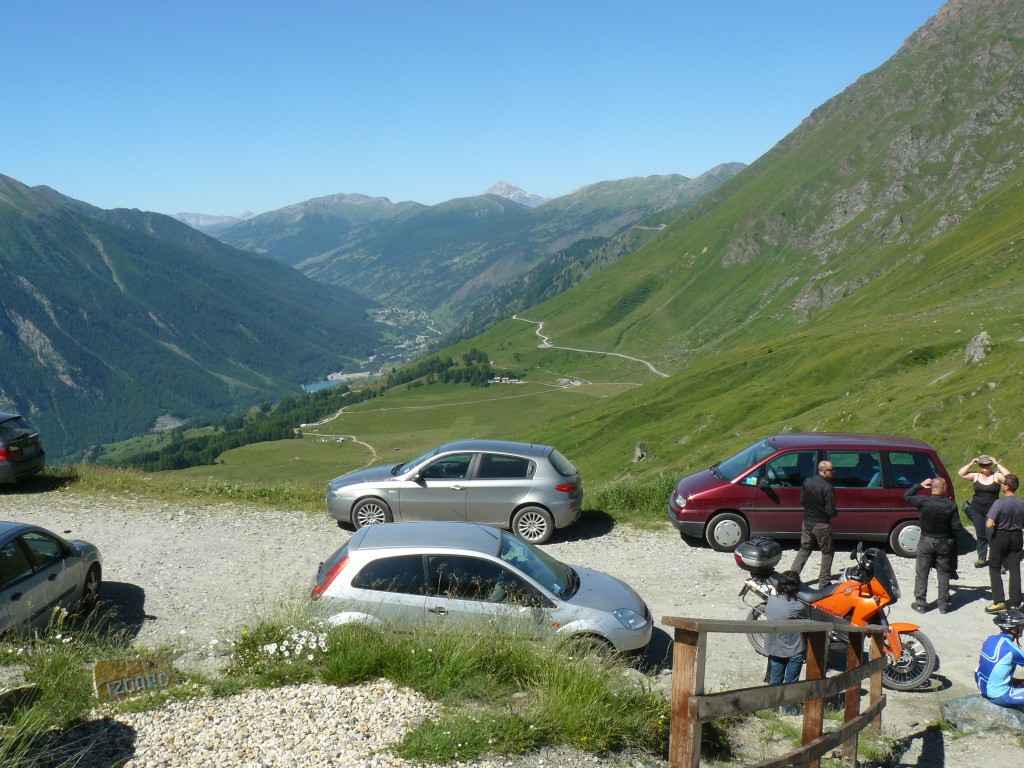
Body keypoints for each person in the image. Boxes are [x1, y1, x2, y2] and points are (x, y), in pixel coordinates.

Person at [903, 477, 962, 614]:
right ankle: (943, 605)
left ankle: (920, 604)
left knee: (922, 572)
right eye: (945, 485)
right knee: (943, 573)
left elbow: (906, 496)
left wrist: (920, 485)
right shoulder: (950, 504)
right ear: (941, 487)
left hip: (926, 541)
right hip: (943, 542)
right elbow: (956, 527)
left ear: (932, 487)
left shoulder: (923, 501)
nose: (946, 487)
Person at [764, 570, 809, 714]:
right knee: (791, 682)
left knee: (775, 679)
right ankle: (789, 709)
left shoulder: (771, 601)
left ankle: (772, 706)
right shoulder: (799, 606)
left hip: (774, 646)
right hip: (793, 647)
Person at [791, 460, 837, 588]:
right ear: (824, 471)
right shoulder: (828, 487)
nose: (833, 472)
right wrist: (834, 513)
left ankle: (791, 578)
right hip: (821, 524)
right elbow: (830, 509)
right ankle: (824, 582)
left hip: (807, 522)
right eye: (831, 470)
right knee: (827, 552)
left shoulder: (808, 481)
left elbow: (802, 499)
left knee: (804, 549)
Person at [959, 455, 1009, 567]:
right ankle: (982, 558)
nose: (984, 467)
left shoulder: (996, 476)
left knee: (992, 535)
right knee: (980, 534)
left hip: (993, 510)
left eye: (986, 464)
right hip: (977, 509)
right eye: (982, 465)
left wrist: (997, 463)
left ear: (990, 465)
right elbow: (961, 473)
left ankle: (997, 560)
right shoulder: (976, 475)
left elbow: (1009, 477)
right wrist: (971, 463)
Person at [986, 474, 1024, 613]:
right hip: (1017, 535)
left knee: (995, 567)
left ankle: (999, 601)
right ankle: (1015, 604)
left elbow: (989, 524)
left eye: (1003, 483)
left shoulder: (999, 503)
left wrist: (994, 524)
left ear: (1006, 486)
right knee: (1014, 569)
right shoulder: (1022, 502)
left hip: (1001, 535)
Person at [976, 609, 1024, 709]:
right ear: (1014, 630)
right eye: (1022, 626)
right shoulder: (1011, 650)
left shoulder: (990, 639)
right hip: (1000, 695)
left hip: (983, 686)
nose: (1023, 629)